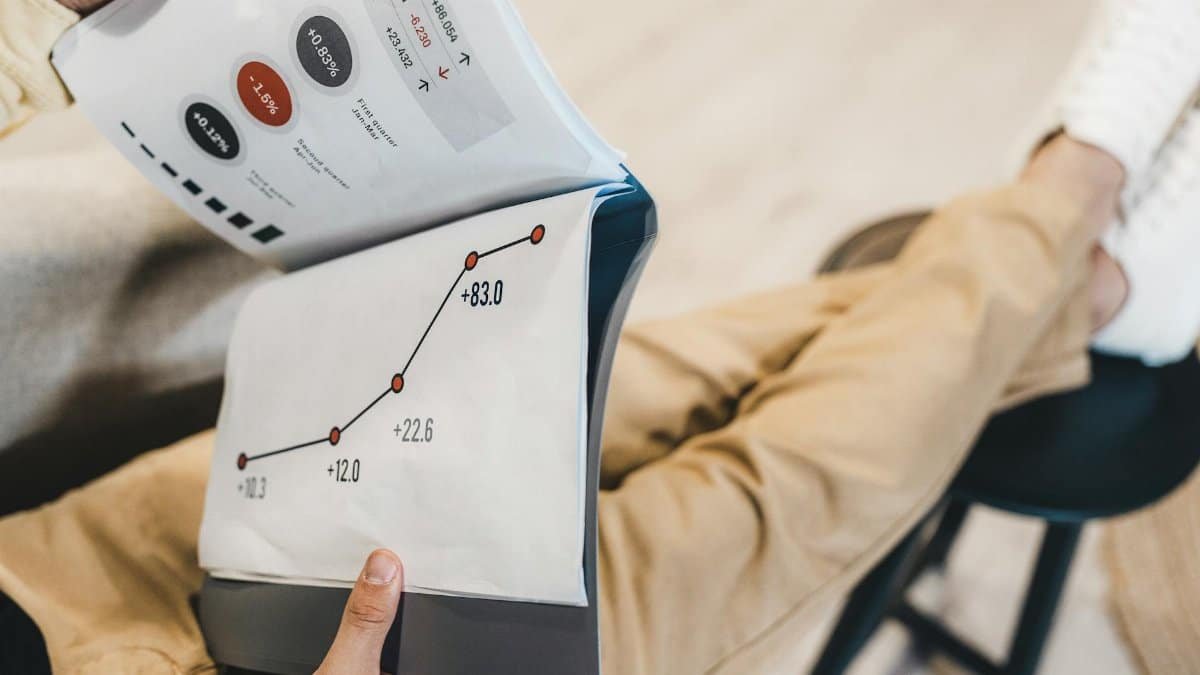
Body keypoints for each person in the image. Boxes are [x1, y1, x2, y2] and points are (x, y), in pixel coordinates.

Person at [2, 0, 1199, 673]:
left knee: (629, 366)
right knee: (781, 489)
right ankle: (1080, 191)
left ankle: (1079, 272)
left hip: (57, 565)